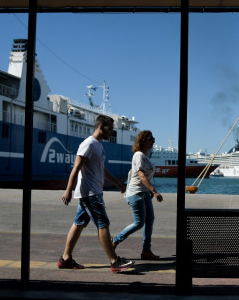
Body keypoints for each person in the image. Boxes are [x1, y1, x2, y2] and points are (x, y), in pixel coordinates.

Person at [58, 114, 134, 273]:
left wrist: (117, 183)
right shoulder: (89, 144)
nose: (111, 132)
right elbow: (76, 168)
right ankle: (114, 261)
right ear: (101, 127)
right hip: (91, 193)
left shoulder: (98, 145)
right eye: (110, 129)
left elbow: (101, 169)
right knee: (103, 224)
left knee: (78, 224)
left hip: (92, 192)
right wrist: (68, 190)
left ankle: (65, 259)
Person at [112, 130, 163, 260]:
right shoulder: (138, 155)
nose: (153, 141)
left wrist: (149, 191)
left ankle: (146, 250)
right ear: (143, 141)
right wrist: (154, 191)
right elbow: (141, 175)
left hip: (144, 193)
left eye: (153, 138)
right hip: (136, 193)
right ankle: (115, 240)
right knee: (139, 223)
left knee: (149, 220)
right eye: (150, 138)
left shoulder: (145, 156)